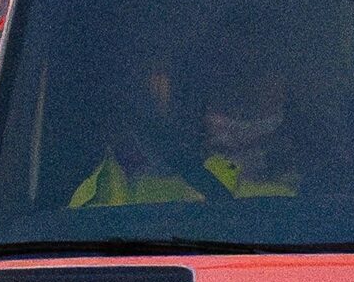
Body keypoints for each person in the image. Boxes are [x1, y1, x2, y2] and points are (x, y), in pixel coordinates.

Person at [69, 59, 298, 207]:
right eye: (227, 73)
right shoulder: (116, 180)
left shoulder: (298, 198)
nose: (242, 86)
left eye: (255, 72)